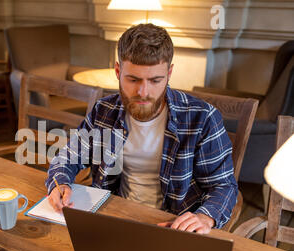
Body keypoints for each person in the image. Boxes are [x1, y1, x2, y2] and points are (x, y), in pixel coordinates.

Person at [45, 23, 238, 234]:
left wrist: (205, 216)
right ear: (118, 71)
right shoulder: (104, 110)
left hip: (173, 225)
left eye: (155, 80)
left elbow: (223, 186)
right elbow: (68, 156)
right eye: (133, 79)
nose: (143, 92)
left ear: (169, 72)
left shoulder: (202, 118)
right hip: (114, 216)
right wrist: (60, 183)